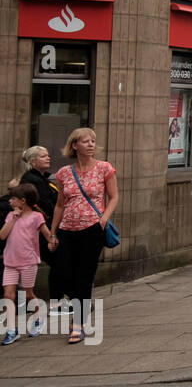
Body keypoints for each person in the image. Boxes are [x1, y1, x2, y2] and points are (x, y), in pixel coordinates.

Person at [50, 127, 117, 344]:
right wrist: (52, 231)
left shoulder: (104, 169)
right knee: (63, 273)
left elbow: (114, 196)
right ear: (74, 145)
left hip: (92, 229)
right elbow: (60, 204)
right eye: (86, 141)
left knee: (84, 275)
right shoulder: (64, 173)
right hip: (67, 229)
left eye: (93, 141)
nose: (91, 144)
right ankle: (82, 303)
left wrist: (104, 218)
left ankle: (77, 324)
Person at [2, 183, 57, 344]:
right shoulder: (10, 216)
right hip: (10, 261)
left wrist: (51, 242)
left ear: (23, 201)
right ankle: (12, 330)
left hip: (28, 261)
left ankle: (39, 317)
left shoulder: (36, 217)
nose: (10, 201)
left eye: (13, 198)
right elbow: (2, 235)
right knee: (8, 295)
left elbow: (48, 235)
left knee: (27, 294)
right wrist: (13, 218)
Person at [19, 145, 63, 311]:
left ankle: (62, 300)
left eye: (47, 155)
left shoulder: (42, 178)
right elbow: (46, 206)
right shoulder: (33, 180)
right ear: (33, 161)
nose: (48, 158)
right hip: (40, 231)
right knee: (59, 263)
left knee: (59, 263)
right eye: (43, 156)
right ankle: (58, 302)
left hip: (44, 229)